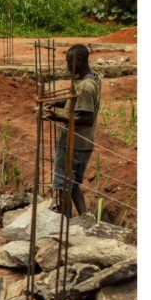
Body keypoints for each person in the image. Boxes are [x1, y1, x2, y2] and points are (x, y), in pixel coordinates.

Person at [46, 44, 101, 217]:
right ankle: (85, 221)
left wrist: (58, 118)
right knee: (74, 184)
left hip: (73, 143)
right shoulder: (92, 78)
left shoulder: (85, 86)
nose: (68, 66)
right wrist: (56, 102)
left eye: (70, 62)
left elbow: (86, 118)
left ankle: (67, 225)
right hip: (84, 143)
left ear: (81, 60)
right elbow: (75, 103)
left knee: (63, 187)